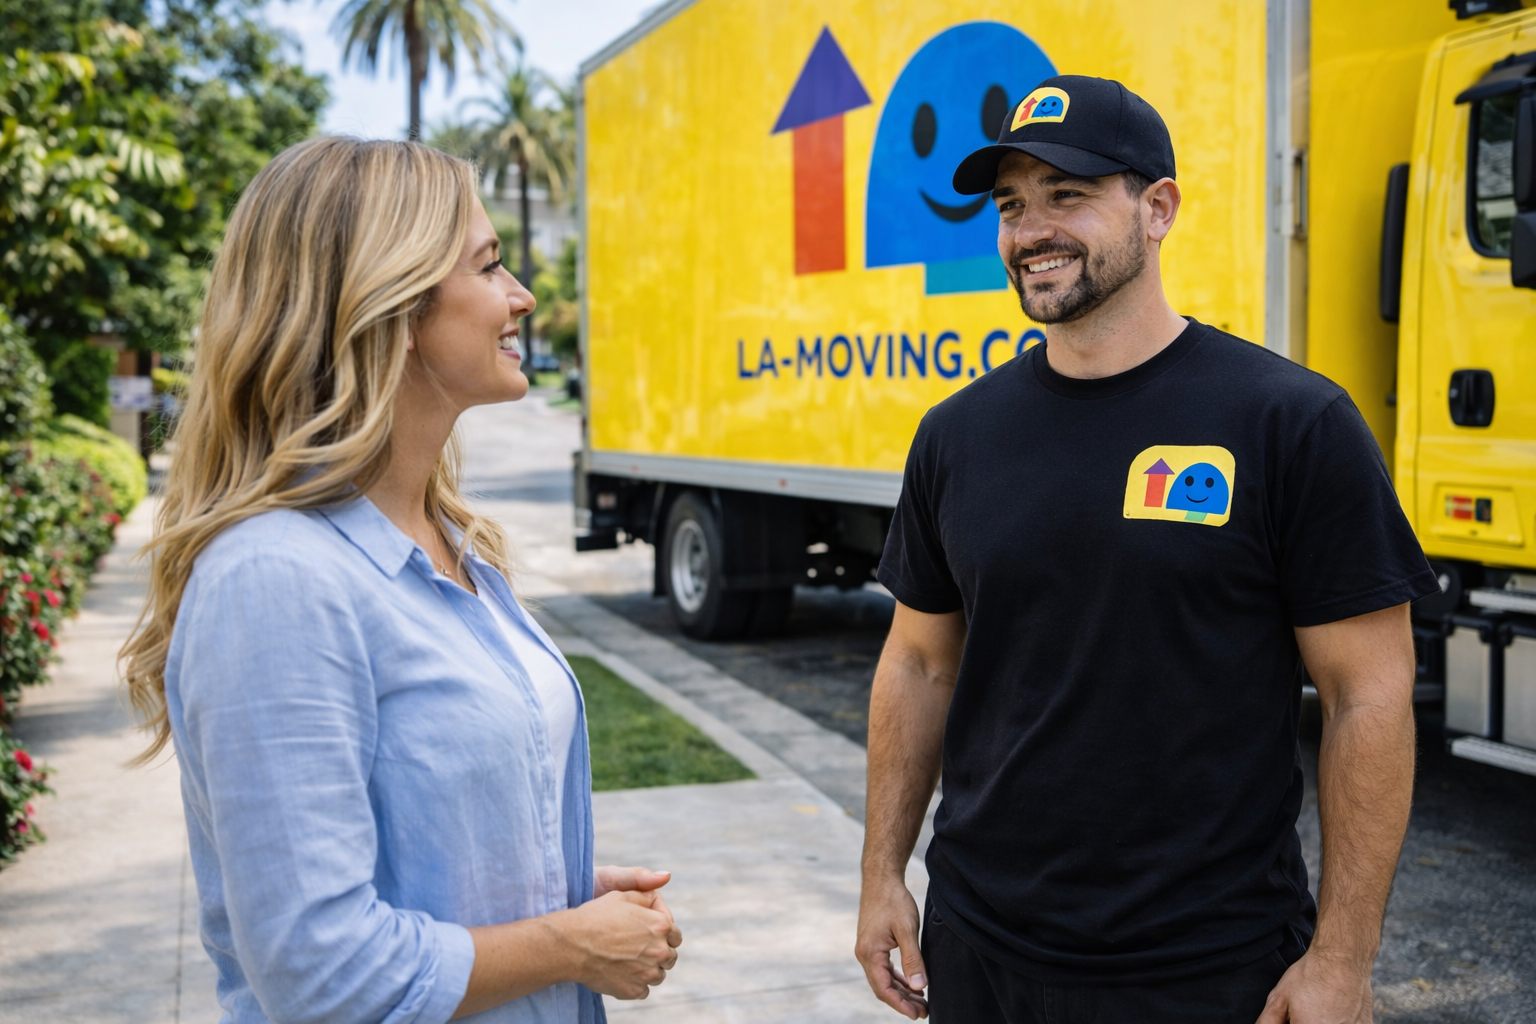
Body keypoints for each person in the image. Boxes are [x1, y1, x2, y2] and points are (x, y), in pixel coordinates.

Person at [854, 75, 1438, 1024]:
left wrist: (1342, 960)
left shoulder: (1291, 423)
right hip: (981, 951)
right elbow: (919, 664)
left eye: (1068, 193)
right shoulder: (957, 436)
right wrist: (882, 875)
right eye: (1011, 204)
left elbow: (1364, 695)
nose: (1032, 228)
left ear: (1158, 207)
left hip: (1209, 967)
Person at [121, 136, 681, 1023]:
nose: (522, 298)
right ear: (390, 305)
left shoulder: (456, 542)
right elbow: (323, 971)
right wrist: (567, 945)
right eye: (490, 266)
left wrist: (550, 890)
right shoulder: (276, 581)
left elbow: (427, 846)